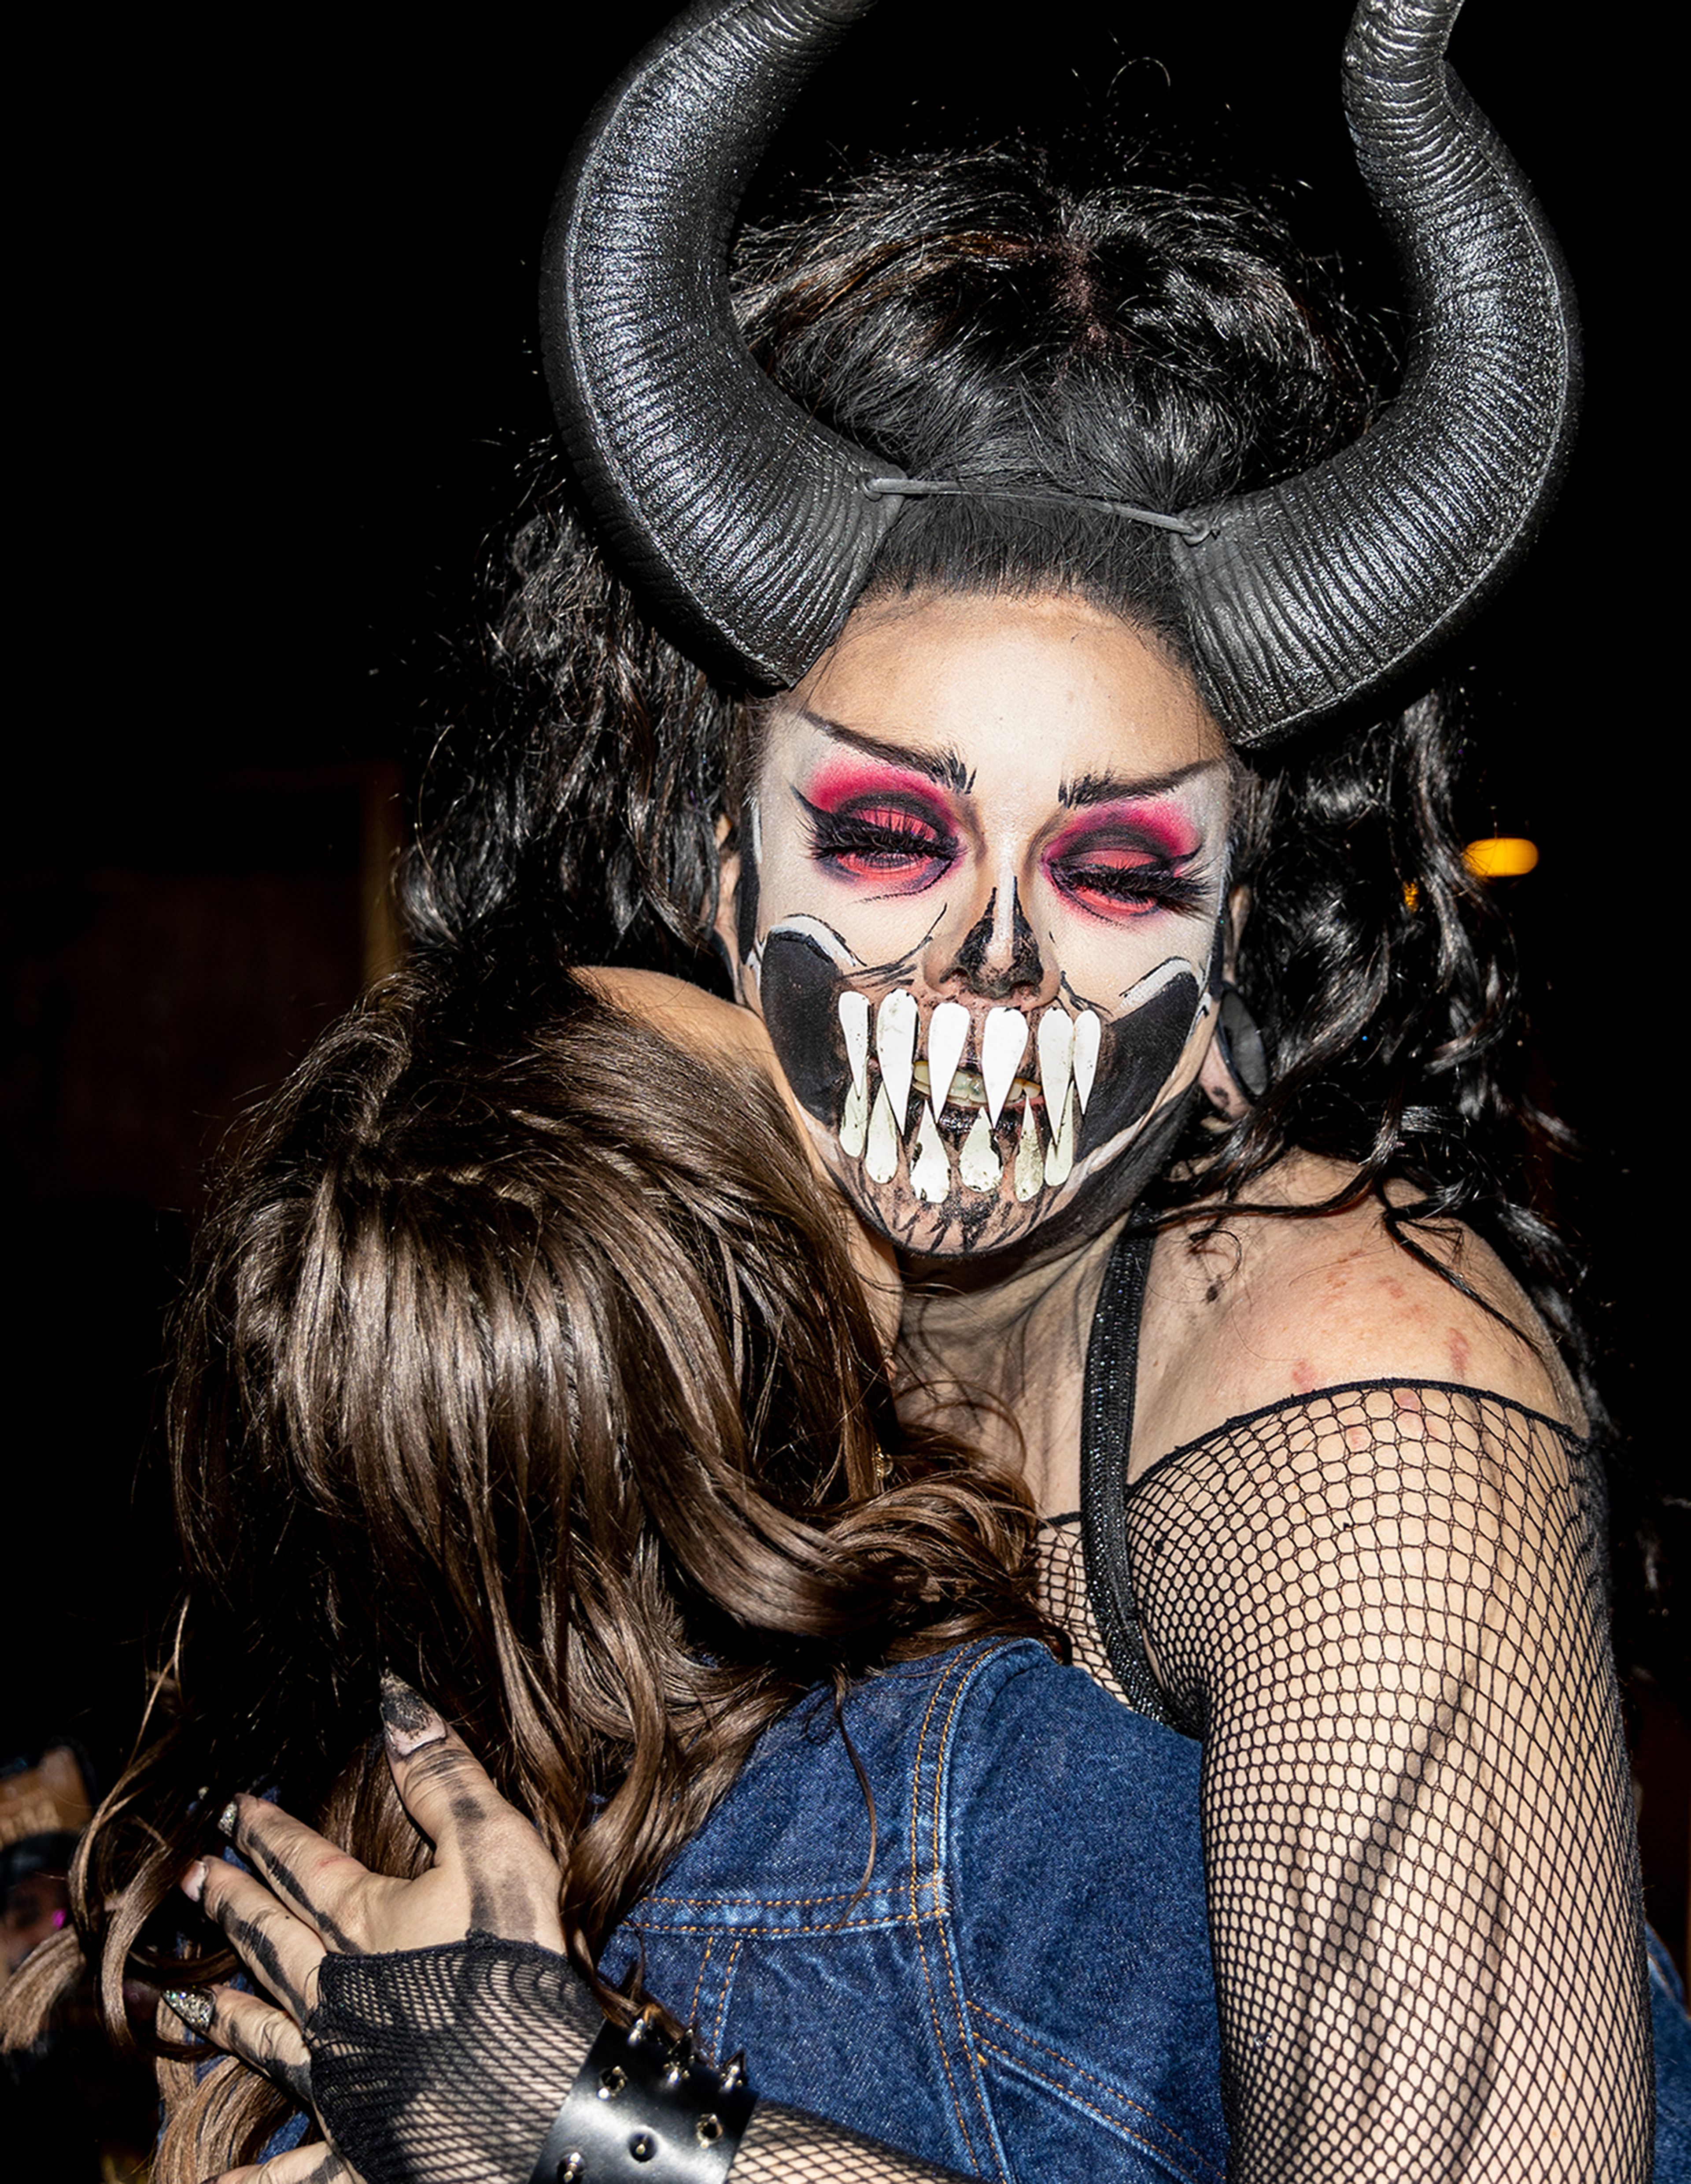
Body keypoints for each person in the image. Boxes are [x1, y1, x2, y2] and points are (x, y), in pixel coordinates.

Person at [262, 0, 1672, 2173]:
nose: (993, 960)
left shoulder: (1364, 1407)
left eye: (1114, 867)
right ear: (729, 880)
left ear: (1230, 955)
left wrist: (590, 2129)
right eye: (896, 841)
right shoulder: (638, 1251)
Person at [7, 960, 1232, 2182]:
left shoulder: (308, 1875)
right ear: (775, 1315)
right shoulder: (1022, 1802)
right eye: (809, 1118)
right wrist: (597, 2123)